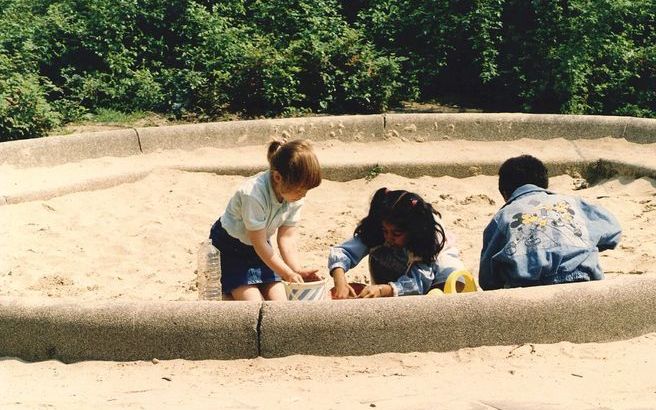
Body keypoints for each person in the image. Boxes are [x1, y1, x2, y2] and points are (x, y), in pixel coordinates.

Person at [479, 154, 622, 290]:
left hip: (528, 288)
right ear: (544, 184)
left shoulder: (503, 217)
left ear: (504, 193)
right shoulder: (573, 203)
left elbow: (487, 279)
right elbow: (613, 232)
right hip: (582, 278)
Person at [209, 139, 322, 301]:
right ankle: (228, 293)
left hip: (261, 247)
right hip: (231, 247)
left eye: (306, 191)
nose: (303, 195)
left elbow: (286, 237)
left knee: (279, 301)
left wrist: (295, 269)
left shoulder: (295, 196)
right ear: (277, 177)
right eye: (299, 190)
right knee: (254, 302)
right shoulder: (253, 194)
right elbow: (259, 243)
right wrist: (286, 273)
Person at [328, 188, 466, 298]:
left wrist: (383, 290)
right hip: (399, 261)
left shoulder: (423, 240)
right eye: (385, 231)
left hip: (434, 263)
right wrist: (340, 281)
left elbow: (419, 282)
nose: (389, 237)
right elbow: (343, 251)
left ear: (412, 231)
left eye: (396, 234)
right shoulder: (378, 229)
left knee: (447, 276)